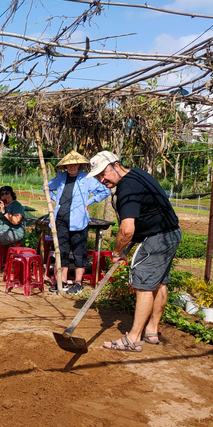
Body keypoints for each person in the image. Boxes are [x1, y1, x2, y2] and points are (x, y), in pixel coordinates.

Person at [87, 151, 182, 352]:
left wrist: (117, 252)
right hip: (171, 234)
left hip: (156, 238)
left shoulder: (127, 188)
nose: (102, 179)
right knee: (160, 282)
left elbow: (127, 229)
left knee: (144, 285)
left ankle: (133, 338)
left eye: (104, 173)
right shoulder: (137, 174)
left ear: (116, 165)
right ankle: (152, 331)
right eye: (98, 176)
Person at [47, 151, 111, 294]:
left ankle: (78, 284)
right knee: (62, 251)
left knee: (78, 252)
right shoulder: (61, 178)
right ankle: (62, 282)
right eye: (69, 165)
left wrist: (89, 201)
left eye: (75, 164)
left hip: (79, 221)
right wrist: (55, 198)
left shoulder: (87, 178)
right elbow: (47, 187)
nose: (72, 167)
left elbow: (105, 191)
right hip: (61, 220)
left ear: (79, 165)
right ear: (66, 166)